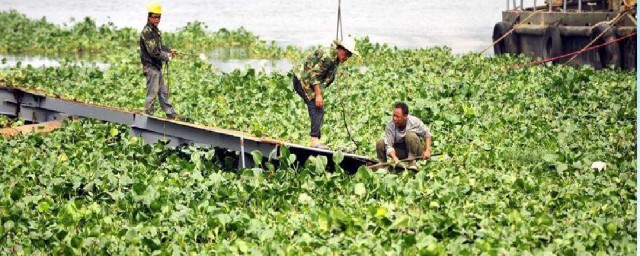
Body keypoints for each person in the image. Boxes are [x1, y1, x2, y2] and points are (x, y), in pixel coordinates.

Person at [292, 37, 359, 149]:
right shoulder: (328, 57)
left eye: (349, 56)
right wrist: (318, 94)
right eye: (346, 54)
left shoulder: (335, 58)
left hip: (308, 80)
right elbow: (314, 75)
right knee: (316, 107)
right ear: (341, 49)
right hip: (302, 78)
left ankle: (316, 138)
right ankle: (314, 140)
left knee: (318, 108)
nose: (347, 58)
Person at [140, 2, 182, 120]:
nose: (157, 19)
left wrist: (169, 50)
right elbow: (153, 52)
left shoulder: (155, 30)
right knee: (152, 93)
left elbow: (159, 47)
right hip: (150, 67)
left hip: (156, 66)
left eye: (159, 17)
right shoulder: (147, 32)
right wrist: (167, 56)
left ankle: (170, 113)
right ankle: (148, 116)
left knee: (163, 92)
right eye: (155, 17)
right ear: (149, 17)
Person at [375, 102, 432, 170]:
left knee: (410, 135)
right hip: (400, 151)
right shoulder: (390, 125)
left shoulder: (414, 121)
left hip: (416, 150)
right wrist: (394, 157)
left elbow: (427, 134)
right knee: (380, 142)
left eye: (397, 116)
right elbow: (389, 145)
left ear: (405, 116)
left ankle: (412, 162)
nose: (394, 118)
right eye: (393, 115)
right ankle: (382, 165)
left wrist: (427, 150)